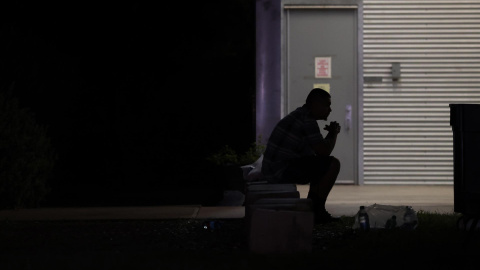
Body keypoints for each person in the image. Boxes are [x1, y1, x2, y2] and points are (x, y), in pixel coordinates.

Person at [261, 88, 341, 224]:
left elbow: (319, 153)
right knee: (333, 164)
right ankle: (317, 212)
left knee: (322, 166)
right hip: (279, 171)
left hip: (275, 168)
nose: (330, 109)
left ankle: (314, 210)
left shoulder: (301, 115)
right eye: (327, 105)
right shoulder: (307, 120)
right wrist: (333, 134)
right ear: (315, 104)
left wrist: (330, 136)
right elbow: (324, 152)